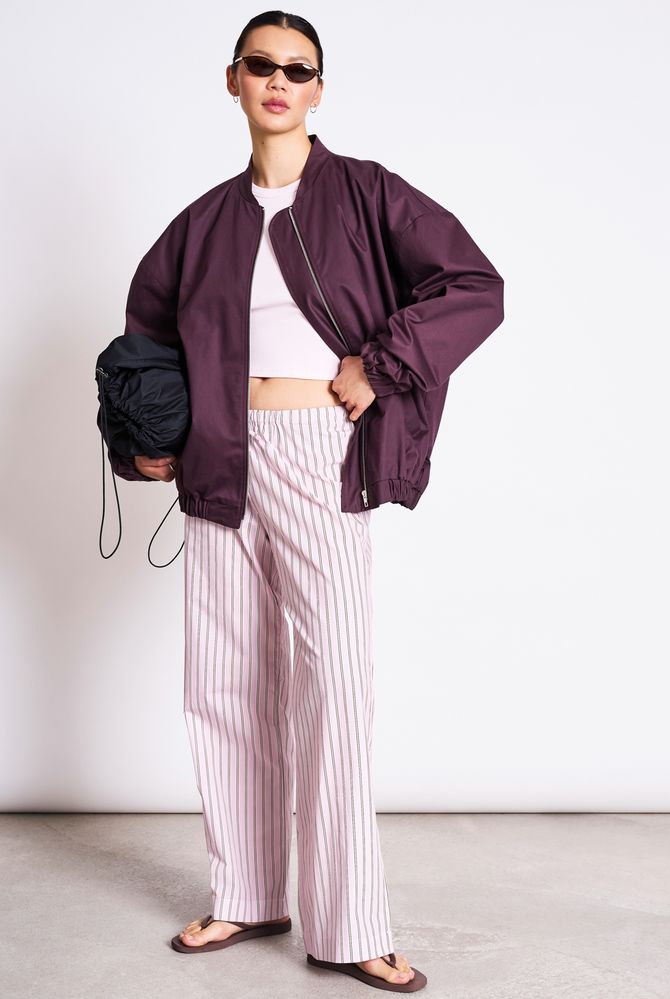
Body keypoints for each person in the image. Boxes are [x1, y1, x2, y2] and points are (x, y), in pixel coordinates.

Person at [115, 9, 504, 993]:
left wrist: (381, 366)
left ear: (319, 89)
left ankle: (351, 922)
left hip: (317, 450)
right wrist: (148, 442)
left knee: (332, 683)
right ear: (234, 81)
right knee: (224, 682)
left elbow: (474, 285)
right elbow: (143, 340)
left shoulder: (367, 194)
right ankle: (246, 894)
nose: (279, 81)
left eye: (299, 68)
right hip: (219, 456)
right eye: (262, 65)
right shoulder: (202, 222)